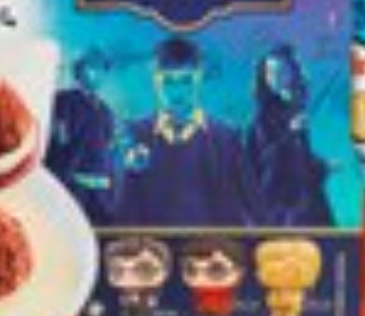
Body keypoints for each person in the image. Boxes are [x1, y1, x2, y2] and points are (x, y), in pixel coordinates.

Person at [116, 37, 254, 226]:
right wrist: (128, 170)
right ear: (155, 81)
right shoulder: (133, 134)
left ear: (200, 78)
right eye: (168, 81)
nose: (177, 91)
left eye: (186, 81)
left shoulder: (227, 139)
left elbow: (245, 210)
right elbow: (118, 211)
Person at [244, 44, 333, 227]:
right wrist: (290, 134)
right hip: (283, 214)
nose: (278, 78)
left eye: (283, 72)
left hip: (309, 207)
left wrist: (321, 166)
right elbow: (266, 170)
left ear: (294, 73)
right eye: (271, 73)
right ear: (264, 78)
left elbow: (299, 165)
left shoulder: (294, 109)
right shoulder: (262, 120)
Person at [46, 49, 117, 226]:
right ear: (79, 70)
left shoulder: (106, 111)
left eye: (101, 69)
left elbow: (108, 147)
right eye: (92, 67)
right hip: (73, 186)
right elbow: (58, 143)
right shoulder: (63, 101)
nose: (97, 74)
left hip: (101, 189)